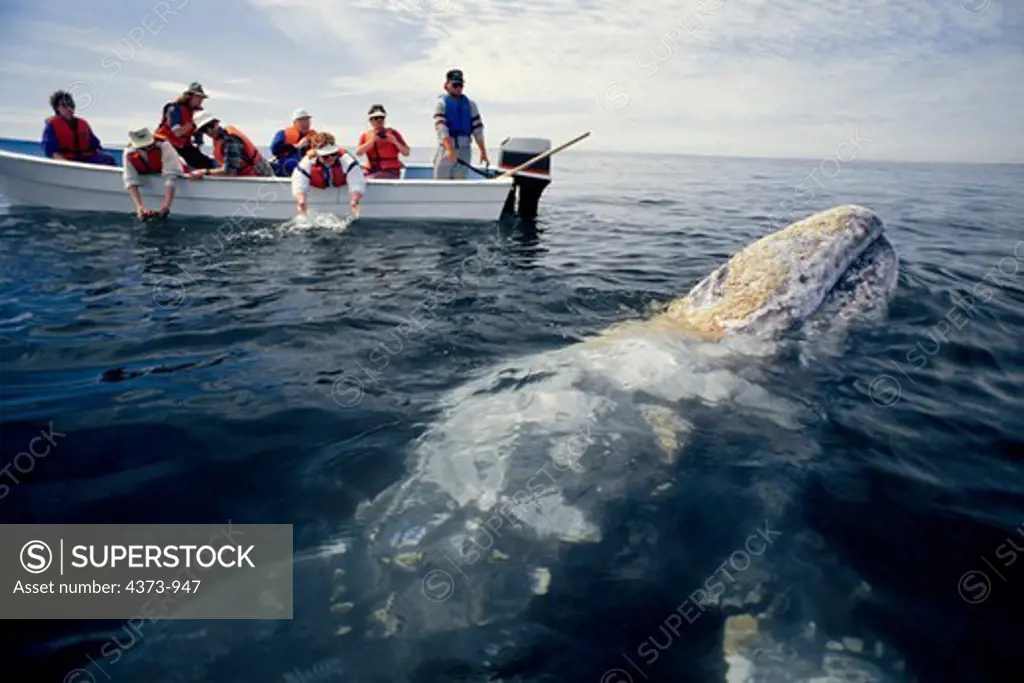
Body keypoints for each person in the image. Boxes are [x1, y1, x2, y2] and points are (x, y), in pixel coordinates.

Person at [122, 126, 192, 220]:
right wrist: (139, 207)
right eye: (143, 147)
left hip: (176, 169)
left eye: (149, 145)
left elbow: (171, 177)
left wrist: (166, 205)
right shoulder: (129, 153)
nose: (147, 148)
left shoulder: (164, 145)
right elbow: (130, 180)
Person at [432, 69, 488, 179]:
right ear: (447, 84)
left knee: (460, 181)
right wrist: (449, 149)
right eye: (455, 85)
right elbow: (441, 128)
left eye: (461, 85)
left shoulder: (471, 105)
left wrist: (483, 152)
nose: (458, 88)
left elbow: (478, 130)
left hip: (464, 149)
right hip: (446, 149)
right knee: (440, 183)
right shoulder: (441, 103)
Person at [292, 133, 365, 217]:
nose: (330, 158)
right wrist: (301, 201)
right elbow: (299, 182)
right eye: (325, 155)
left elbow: (356, 180)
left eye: (333, 154)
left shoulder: (346, 159)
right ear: (317, 154)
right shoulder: (307, 162)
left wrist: (355, 201)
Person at [41, 90, 116, 165]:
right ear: (57, 108)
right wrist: (66, 164)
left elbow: (95, 145)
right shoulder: (52, 125)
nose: (69, 107)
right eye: (65, 105)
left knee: (109, 158)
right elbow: (51, 151)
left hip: (86, 158)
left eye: (71, 104)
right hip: (66, 160)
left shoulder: (83, 123)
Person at [189, 112, 274, 178]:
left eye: (210, 126)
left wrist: (205, 172)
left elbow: (229, 171)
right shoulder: (218, 140)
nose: (209, 131)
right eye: (204, 129)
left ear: (216, 123)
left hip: (258, 176)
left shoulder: (230, 140)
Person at [154, 81, 215, 170]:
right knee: (175, 164)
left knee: (206, 163)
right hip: (166, 144)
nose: (201, 100)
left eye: (202, 98)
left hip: (183, 146)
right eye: (198, 97)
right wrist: (193, 122)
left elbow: (198, 135)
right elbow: (177, 133)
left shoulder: (197, 112)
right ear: (189, 96)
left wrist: (198, 143)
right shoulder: (174, 109)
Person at [355, 104, 410, 179]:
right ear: (371, 120)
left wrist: (395, 142)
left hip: (390, 171)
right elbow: (358, 153)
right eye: (376, 118)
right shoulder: (366, 135)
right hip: (371, 170)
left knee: (369, 179)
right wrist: (371, 141)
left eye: (382, 118)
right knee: (355, 178)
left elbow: (406, 153)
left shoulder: (393, 133)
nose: (379, 120)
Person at [269, 108, 317, 177]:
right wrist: (296, 146)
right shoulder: (283, 134)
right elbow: (274, 149)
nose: (305, 123)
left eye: (307, 120)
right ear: (294, 123)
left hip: (306, 170)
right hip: (286, 168)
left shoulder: (315, 137)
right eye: (301, 121)